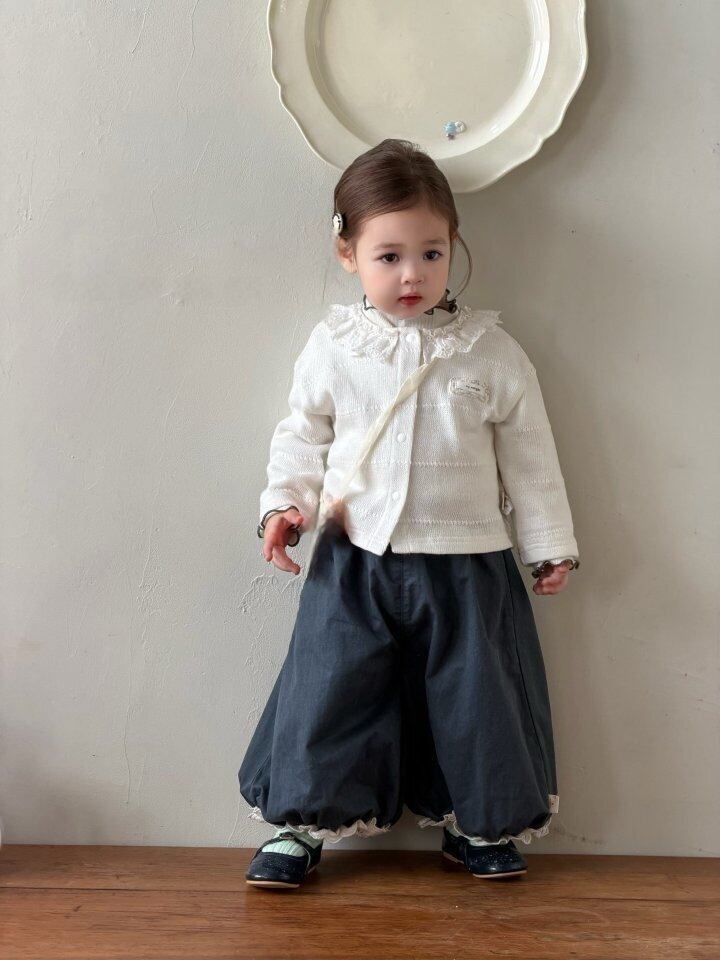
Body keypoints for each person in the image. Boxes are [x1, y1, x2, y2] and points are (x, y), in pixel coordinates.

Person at [239, 139, 580, 890]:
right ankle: (302, 825)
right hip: (353, 558)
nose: (412, 275)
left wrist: (548, 544)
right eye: (388, 256)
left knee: (474, 696)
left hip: (468, 560)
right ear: (347, 253)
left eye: (431, 253)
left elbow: (531, 458)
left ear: (453, 246)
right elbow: (302, 434)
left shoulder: (490, 352)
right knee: (330, 687)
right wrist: (285, 507)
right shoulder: (336, 346)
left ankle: (476, 823)